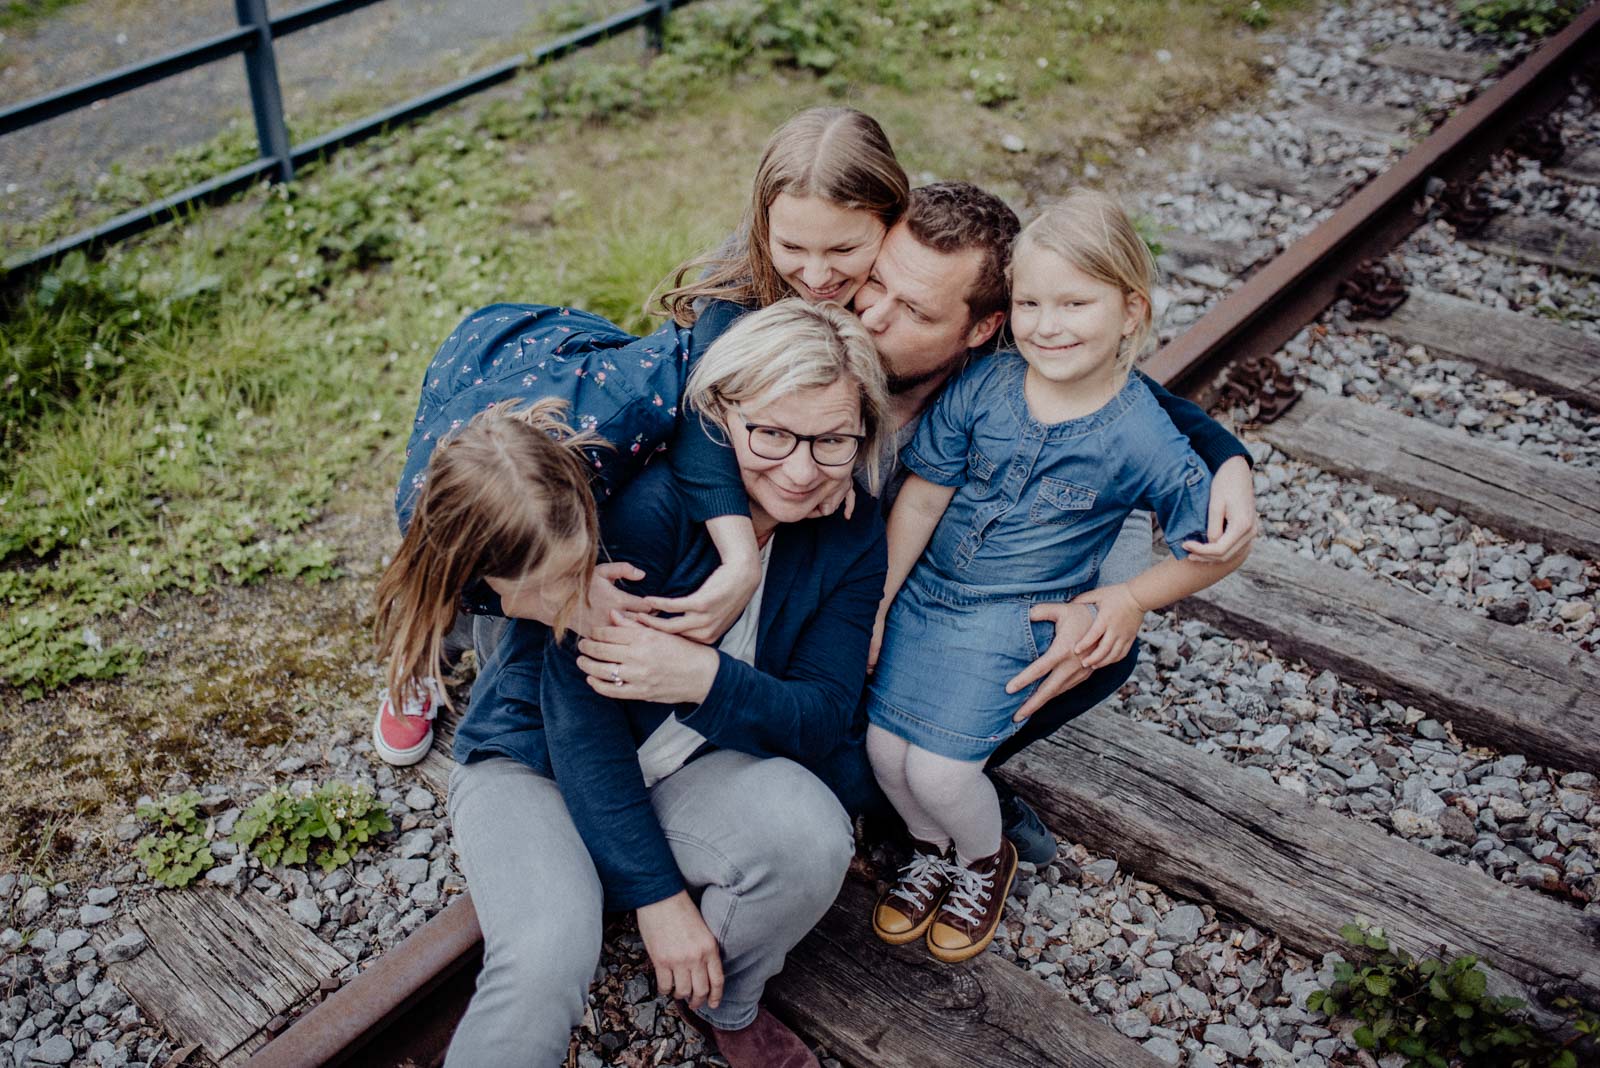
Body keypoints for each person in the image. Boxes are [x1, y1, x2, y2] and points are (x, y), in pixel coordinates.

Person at [675, 179, 1261, 862]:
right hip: (834, 601)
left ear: (984, 330)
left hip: (972, 581)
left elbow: (1121, 393)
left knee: (1095, 642)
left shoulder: (995, 373)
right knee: (846, 763)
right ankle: (912, 779)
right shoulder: (815, 308)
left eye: (916, 312)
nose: (874, 319)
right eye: (878, 286)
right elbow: (697, 372)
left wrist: (1227, 461)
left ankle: (956, 766)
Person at [372, 105, 908, 764]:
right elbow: (698, 425)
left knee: (539, 560)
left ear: (891, 221)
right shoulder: (725, 313)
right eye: (793, 248)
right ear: (761, 226)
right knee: (486, 540)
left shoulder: (897, 291)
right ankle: (420, 651)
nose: (819, 275)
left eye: (845, 250)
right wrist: (733, 563)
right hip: (502, 376)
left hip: (608, 387)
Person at [445, 300, 891, 1068]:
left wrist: (703, 676)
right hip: (540, 764)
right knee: (550, 949)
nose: (800, 467)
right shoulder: (653, 509)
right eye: (773, 434)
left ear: (864, 433)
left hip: (685, 770)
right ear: (724, 419)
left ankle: (730, 1001)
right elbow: (578, 725)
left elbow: (820, 718)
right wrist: (658, 900)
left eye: (832, 440)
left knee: (812, 835)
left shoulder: (849, 529)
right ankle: (606, 894)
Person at [864, 190, 1251, 962]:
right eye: (1031, 303)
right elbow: (925, 494)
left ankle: (980, 860)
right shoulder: (986, 384)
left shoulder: (1142, 433)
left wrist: (1130, 594)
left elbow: (1217, 546)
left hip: (1013, 616)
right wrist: (880, 599)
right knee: (884, 752)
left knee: (941, 769)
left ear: (1130, 310)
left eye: (1075, 303)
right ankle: (931, 853)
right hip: (924, 598)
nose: (1048, 324)